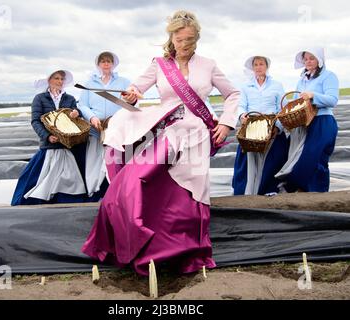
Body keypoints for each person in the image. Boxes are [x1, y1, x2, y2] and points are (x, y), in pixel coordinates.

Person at [81, 10, 240, 275]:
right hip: (166, 130)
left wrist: (225, 122)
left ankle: (187, 252)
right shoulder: (159, 63)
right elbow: (136, 90)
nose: (184, 44)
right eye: (179, 39)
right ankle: (144, 244)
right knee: (138, 177)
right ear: (172, 38)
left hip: (197, 133)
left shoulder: (209, 64)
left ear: (196, 38)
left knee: (189, 190)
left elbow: (233, 93)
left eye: (189, 39)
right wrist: (132, 95)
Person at [11, 70, 88, 205]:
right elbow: (35, 121)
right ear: (49, 80)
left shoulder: (69, 98)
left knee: (70, 178)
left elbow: (76, 117)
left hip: (67, 144)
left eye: (62, 79)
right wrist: (47, 136)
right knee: (40, 177)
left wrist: (77, 113)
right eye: (56, 78)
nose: (59, 81)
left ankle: (68, 201)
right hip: (50, 146)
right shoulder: (40, 98)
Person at [275, 47, 339, 192]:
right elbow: (295, 101)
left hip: (323, 121)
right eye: (306, 59)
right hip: (305, 122)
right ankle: (305, 189)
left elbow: (332, 100)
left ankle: (317, 191)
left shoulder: (329, 76)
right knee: (302, 155)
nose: (308, 61)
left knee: (315, 156)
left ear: (319, 60)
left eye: (312, 58)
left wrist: (312, 95)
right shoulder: (302, 79)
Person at [77, 51, 131, 201]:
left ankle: (118, 192)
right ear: (98, 64)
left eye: (109, 61)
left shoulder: (124, 82)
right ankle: (94, 192)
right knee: (95, 161)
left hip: (117, 129)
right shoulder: (89, 84)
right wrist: (92, 117)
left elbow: (131, 103)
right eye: (103, 61)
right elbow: (83, 105)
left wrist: (118, 119)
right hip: (96, 129)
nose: (106, 64)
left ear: (113, 64)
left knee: (115, 160)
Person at [232, 56, 289, 195]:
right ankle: (246, 190)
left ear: (266, 66)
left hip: (272, 127)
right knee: (246, 160)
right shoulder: (246, 86)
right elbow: (241, 105)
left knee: (274, 159)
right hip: (252, 129)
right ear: (252, 68)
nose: (258, 67)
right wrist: (242, 116)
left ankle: (269, 189)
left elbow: (282, 107)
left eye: (261, 64)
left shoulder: (277, 85)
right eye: (255, 64)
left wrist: (278, 127)